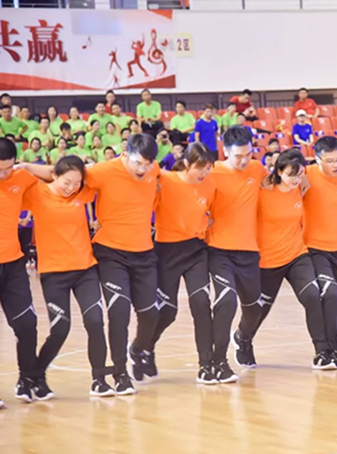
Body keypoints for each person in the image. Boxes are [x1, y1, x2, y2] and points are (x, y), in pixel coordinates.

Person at [23, 134, 162, 394]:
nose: (142, 169)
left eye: (147, 164)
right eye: (137, 163)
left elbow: (170, 181)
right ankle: (117, 374)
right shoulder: (101, 171)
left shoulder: (153, 170)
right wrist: (25, 166)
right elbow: (67, 172)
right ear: (124, 154)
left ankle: (138, 349)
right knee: (116, 313)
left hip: (141, 253)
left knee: (151, 314)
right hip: (109, 253)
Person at [20, 156, 113, 397]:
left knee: (95, 322)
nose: (71, 188)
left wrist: (82, 174)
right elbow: (19, 175)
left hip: (85, 270)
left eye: (76, 183)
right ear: (54, 175)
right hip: (54, 274)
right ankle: (35, 376)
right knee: (60, 329)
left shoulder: (82, 193)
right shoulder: (37, 192)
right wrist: (29, 166)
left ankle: (99, 380)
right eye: (66, 182)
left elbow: (98, 175)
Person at [242, 149, 335, 369]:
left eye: (300, 173)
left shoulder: (301, 186)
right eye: (291, 174)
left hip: (296, 254)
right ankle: (243, 339)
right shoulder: (262, 191)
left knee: (312, 296)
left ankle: (322, 352)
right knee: (259, 310)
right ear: (279, 172)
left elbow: (320, 173)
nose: (296, 179)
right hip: (268, 260)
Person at [149, 143, 226, 383]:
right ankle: (144, 347)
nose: (204, 173)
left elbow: (212, 213)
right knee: (167, 312)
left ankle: (206, 365)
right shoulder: (166, 180)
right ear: (186, 164)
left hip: (196, 251)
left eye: (208, 168)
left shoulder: (210, 185)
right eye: (200, 168)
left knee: (201, 304)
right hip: (167, 252)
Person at [209, 126, 266, 370]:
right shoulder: (212, 173)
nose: (244, 161)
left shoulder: (257, 169)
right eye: (238, 156)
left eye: (248, 154)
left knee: (255, 308)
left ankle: (242, 338)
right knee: (227, 301)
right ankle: (218, 361)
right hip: (219, 249)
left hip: (249, 250)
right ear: (225, 151)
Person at [302, 137, 337, 368]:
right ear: (318, 160)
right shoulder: (306, 175)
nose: (336, 165)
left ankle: (330, 348)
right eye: (330, 161)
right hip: (313, 248)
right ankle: (325, 350)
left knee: (335, 299)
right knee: (329, 293)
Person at [0, 137, 40, 404]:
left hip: (13, 264)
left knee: (27, 325)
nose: (4, 174)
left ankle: (26, 380)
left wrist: (26, 166)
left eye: (8, 168)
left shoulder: (21, 178)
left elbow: (56, 176)